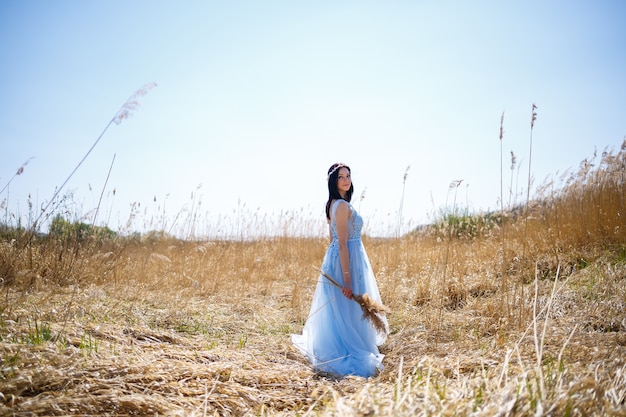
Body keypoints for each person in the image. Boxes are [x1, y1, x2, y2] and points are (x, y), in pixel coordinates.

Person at [292, 162, 388, 378]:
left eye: (348, 175)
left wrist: (332, 262)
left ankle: (347, 340)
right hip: (347, 257)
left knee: (341, 306)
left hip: (339, 256)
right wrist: (346, 277)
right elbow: (342, 242)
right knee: (347, 302)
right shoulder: (342, 206)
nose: (346, 180)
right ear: (333, 182)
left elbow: (332, 238)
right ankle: (350, 345)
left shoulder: (333, 204)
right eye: (340, 177)